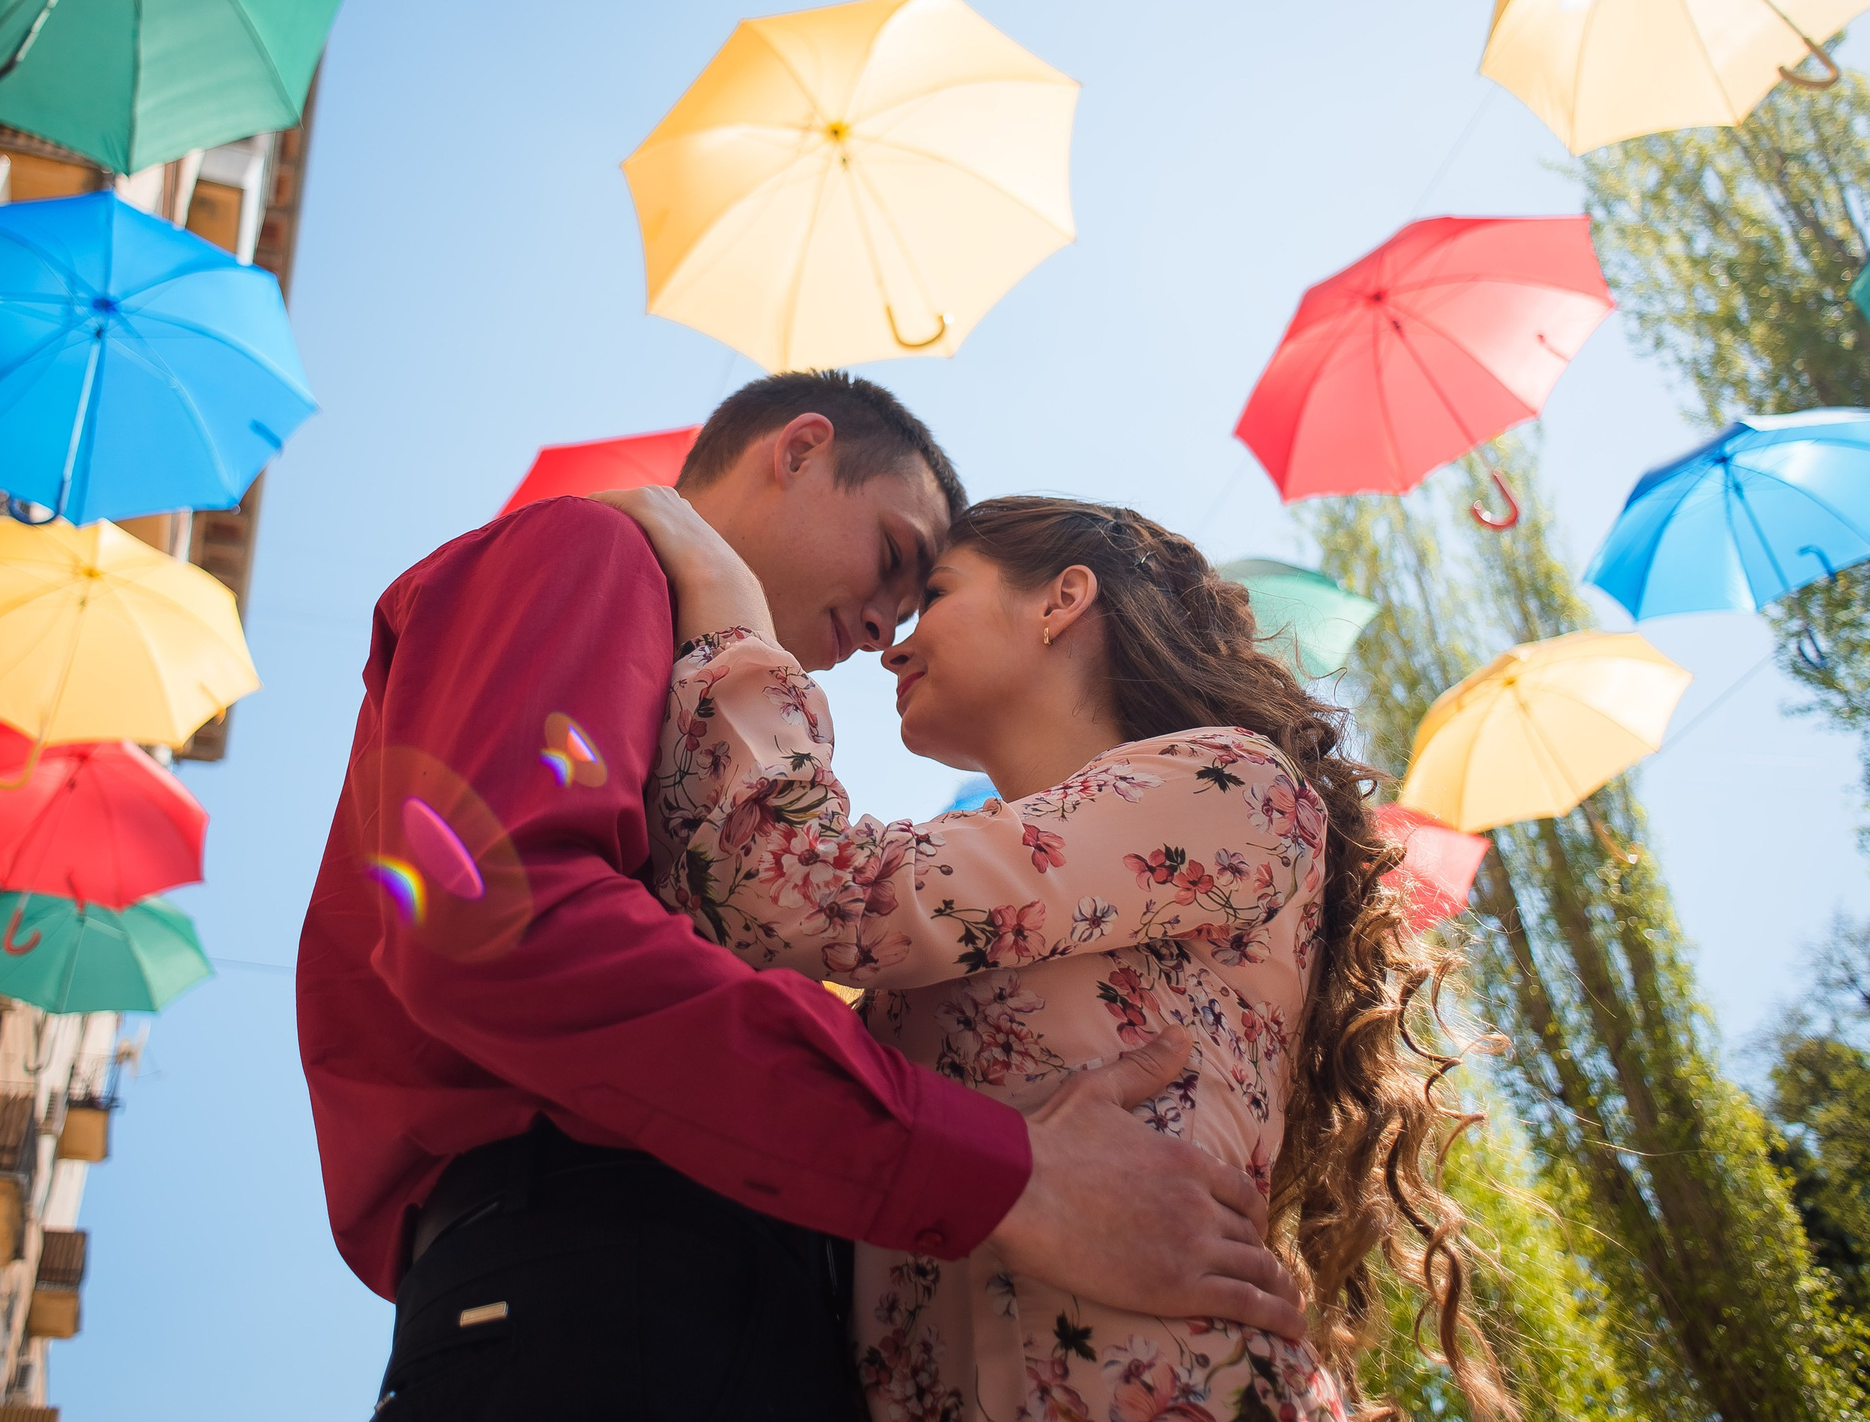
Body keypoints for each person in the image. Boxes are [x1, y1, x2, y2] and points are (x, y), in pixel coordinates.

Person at [299, 372, 1305, 1421]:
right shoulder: (589, 548)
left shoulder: (1177, 812)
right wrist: (1001, 1169)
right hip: (612, 1262)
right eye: (894, 558)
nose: (883, 632)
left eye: (923, 599)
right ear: (800, 449)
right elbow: (500, 927)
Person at [597, 486, 1514, 1422]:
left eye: (940, 594)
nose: (893, 648)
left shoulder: (1233, 786)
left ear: (1062, 599)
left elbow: (795, 889)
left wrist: (726, 598)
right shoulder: (972, 915)